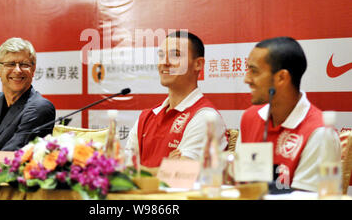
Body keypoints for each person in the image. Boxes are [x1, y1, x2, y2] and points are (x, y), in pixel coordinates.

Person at [238, 36, 341, 192]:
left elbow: (306, 196)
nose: (247, 79)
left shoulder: (319, 132)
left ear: (281, 78)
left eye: (254, 71)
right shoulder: (250, 118)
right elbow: (242, 185)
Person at [125, 31, 227, 175]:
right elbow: (123, 169)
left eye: (175, 55)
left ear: (198, 64)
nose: (165, 63)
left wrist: (138, 171)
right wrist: (164, 168)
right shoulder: (146, 116)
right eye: (161, 56)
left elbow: (180, 176)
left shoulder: (206, 117)